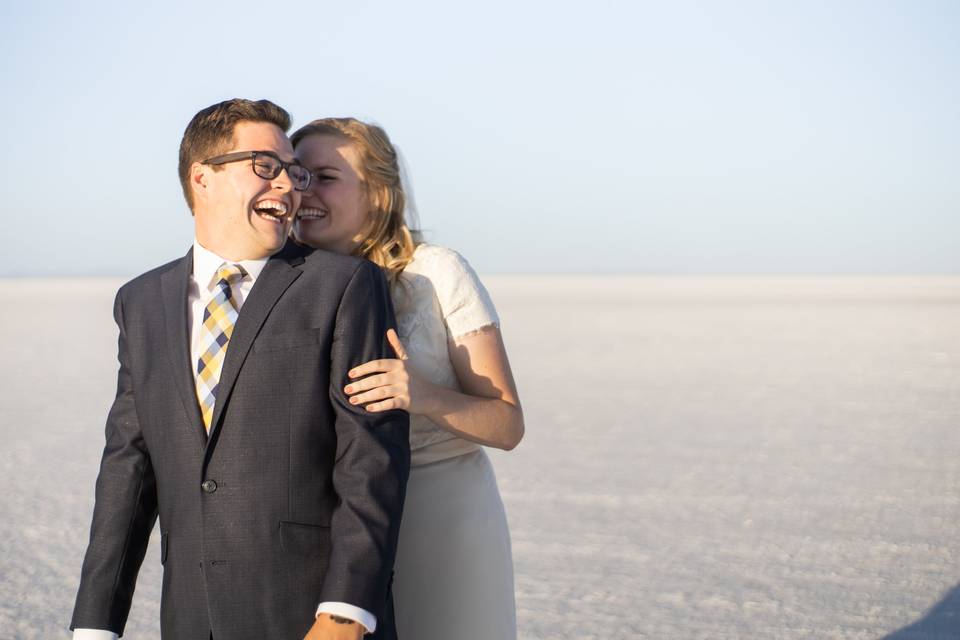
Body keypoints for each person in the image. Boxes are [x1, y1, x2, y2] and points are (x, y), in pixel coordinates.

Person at [70, 99, 410, 640]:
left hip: (312, 617)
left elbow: (371, 458)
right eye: (266, 167)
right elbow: (128, 469)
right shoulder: (140, 301)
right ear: (202, 178)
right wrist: (94, 626)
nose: (288, 187)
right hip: (192, 618)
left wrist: (345, 612)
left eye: (293, 172)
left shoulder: (343, 285)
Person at [290, 117, 524, 640]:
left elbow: (507, 424)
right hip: (339, 536)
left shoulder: (437, 273)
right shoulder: (287, 284)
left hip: (444, 520)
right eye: (297, 175)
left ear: (377, 192)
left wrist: (424, 396)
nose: (304, 192)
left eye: (324, 176)